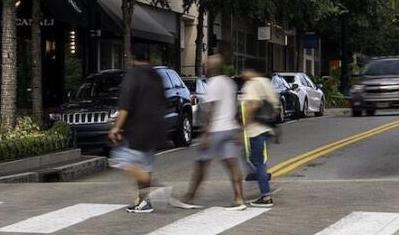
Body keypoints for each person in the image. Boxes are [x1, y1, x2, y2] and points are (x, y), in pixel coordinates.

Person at [179, 52, 248, 210]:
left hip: (216, 130)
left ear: (211, 67)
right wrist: (239, 128)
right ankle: (239, 199)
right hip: (230, 128)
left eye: (208, 63)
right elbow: (235, 107)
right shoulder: (229, 82)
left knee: (201, 164)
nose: (206, 65)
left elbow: (211, 109)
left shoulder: (213, 83)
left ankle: (190, 198)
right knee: (232, 164)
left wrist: (205, 133)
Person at [106, 45, 171, 214]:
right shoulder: (157, 75)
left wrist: (116, 127)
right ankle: (143, 202)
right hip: (155, 128)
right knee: (145, 165)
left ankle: (158, 187)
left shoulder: (133, 75)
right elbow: (164, 100)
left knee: (121, 159)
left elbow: (125, 105)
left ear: (133, 58)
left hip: (136, 129)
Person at [239, 63, 280, 206]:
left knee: (257, 162)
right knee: (255, 159)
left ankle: (265, 196)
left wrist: (246, 124)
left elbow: (253, 105)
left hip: (255, 130)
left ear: (252, 71)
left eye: (245, 69)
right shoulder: (267, 83)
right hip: (267, 129)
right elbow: (275, 109)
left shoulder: (252, 84)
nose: (243, 73)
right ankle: (259, 180)